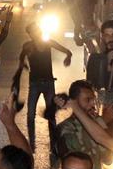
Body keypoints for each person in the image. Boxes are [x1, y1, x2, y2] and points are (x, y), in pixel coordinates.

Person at [18, 22, 72, 155]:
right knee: (30, 115)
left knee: (51, 115)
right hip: (35, 83)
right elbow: (21, 57)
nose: (36, 33)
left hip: (48, 83)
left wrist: (68, 57)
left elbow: (67, 51)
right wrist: (23, 64)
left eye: (37, 30)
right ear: (30, 34)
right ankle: (32, 144)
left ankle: (54, 145)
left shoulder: (49, 43)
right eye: (33, 32)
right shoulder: (28, 46)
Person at [56, 80, 113, 169]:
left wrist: (102, 124)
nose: (93, 104)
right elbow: (77, 154)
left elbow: (109, 159)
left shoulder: (98, 124)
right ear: (74, 103)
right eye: (87, 100)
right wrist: (101, 122)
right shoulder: (66, 128)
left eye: (94, 100)